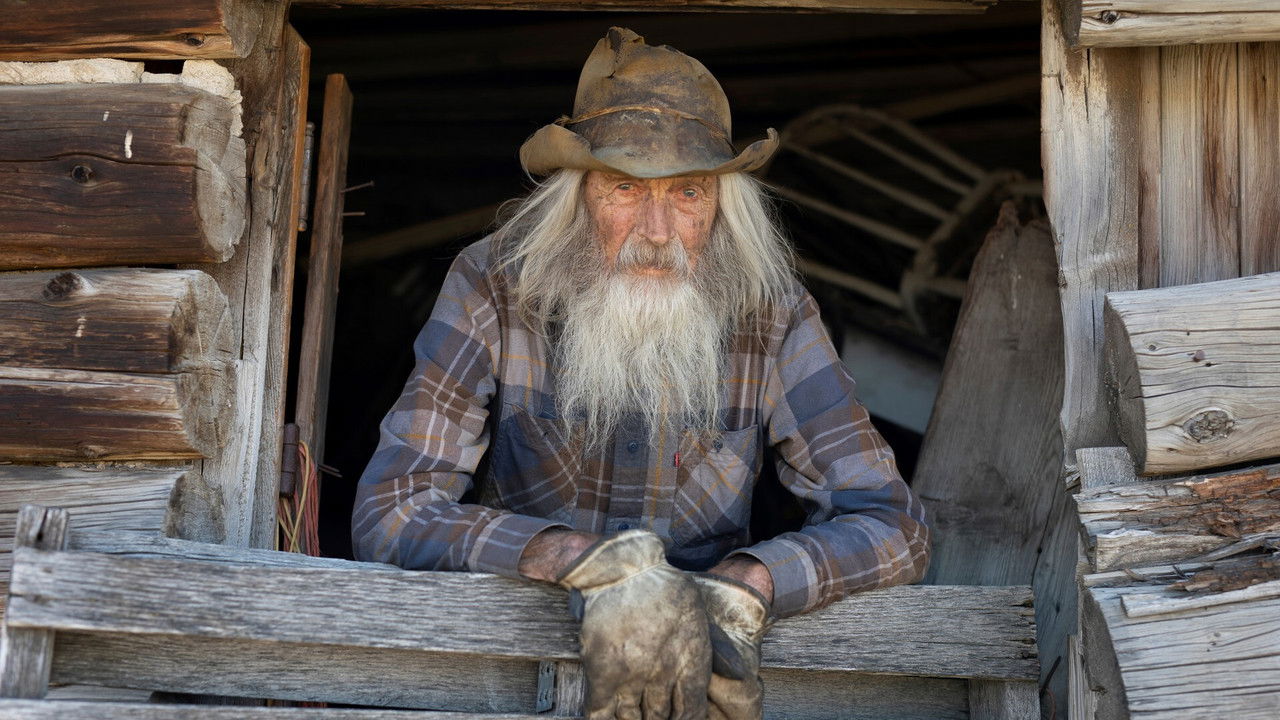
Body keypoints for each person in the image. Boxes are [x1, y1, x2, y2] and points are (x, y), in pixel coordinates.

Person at [352, 26, 930, 720]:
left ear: (720, 204)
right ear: (579, 196)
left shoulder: (770, 311)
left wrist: (751, 582)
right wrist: (578, 561)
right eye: (626, 188)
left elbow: (894, 526)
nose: (657, 233)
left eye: (687, 193)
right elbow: (390, 512)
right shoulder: (493, 287)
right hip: (510, 676)